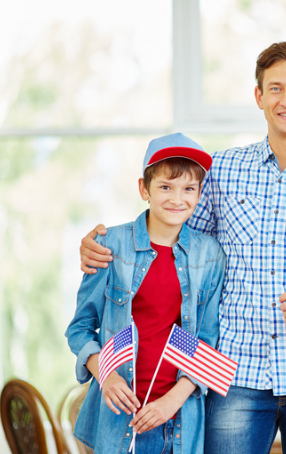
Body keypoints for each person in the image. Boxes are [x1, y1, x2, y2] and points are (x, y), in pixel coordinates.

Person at [79, 42, 286, 453]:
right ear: (259, 97)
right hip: (235, 376)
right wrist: (105, 247)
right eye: (275, 88)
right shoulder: (222, 170)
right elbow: (174, 240)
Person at [65, 133, 226, 454]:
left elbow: (208, 338)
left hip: (180, 418)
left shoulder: (210, 255)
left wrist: (173, 400)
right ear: (144, 189)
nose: (177, 198)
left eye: (189, 189)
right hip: (118, 418)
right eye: (166, 186)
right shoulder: (110, 245)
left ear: (199, 194)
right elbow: (80, 329)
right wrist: (107, 375)